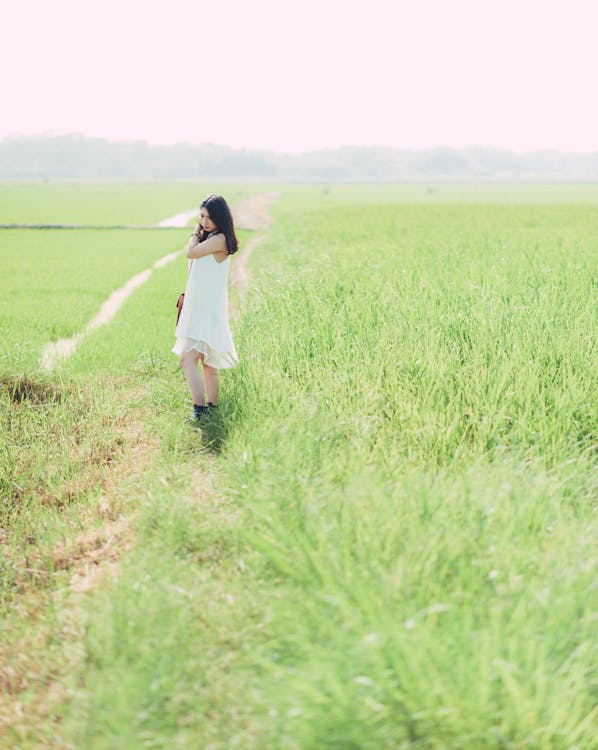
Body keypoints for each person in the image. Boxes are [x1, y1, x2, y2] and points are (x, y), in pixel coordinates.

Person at [173, 194, 239, 422]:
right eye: (201, 216)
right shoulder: (211, 238)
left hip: (206, 309)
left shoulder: (220, 239)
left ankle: (200, 410)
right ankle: (211, 408)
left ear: (221, 219)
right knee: (208, 364)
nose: (204, 221)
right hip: (203, 306)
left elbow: (190, 252)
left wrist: (194, 232)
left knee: (187, 359)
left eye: (209, 217)